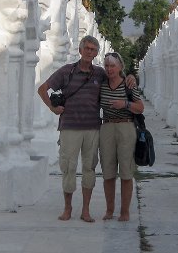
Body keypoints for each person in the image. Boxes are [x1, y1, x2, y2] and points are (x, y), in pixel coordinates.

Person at [37, 36, 136, 222]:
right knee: (68, 168)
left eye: (93, 49)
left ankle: (86, 210)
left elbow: (117, 75)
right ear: (80, 50)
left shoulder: (100, 74)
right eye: (86, 48)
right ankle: (67, 208)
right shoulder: (67, 71)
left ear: (96, 53)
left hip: (92, 128)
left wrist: (131, 76)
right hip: (69, 127)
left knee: (89, 168)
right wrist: (52, 107)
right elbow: (42, 89)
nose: (89, 52)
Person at [99, 52, 144, 221]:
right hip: (107, 127)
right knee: (108, 172)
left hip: (126, 126)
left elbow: (140, 107)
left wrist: (124, 104)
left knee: (126, 171)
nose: (109, 69)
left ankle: (125, 212)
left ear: (120, 67)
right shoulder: (102, 85)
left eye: (113, 66)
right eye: (107, 66)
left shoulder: (128, 85)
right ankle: (109, 210)